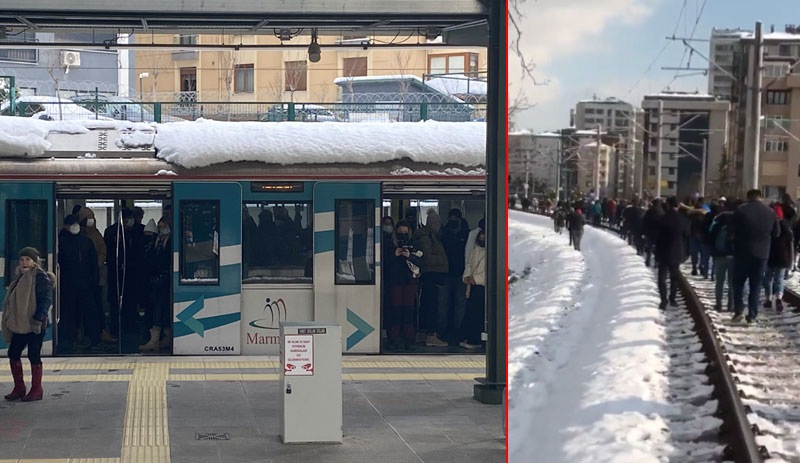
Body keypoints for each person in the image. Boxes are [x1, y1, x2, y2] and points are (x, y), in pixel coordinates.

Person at [2, 247, 55, 402]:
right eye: (21, 259)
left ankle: (36, 389)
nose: (24, 262)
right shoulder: (19, 278)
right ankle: (19, 388)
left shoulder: (40, 278)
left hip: (35, 324)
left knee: (33, 355)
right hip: (20, 324)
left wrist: (39, 318)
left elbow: (45, 300)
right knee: (13, 353)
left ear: (34, 262)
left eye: (27, 259)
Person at [730, 189, 780, 323]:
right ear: (761, 198)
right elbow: (776, 234)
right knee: (756, 285)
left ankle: (739, 310)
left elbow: (731, 231)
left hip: (742, 253)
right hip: (762, 255)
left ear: (748, 198)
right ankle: (752, 315)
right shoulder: (771, 212)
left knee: (738, 283)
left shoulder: (740, 211)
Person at [57, 214, 100, 353]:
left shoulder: (86, 241)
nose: (74, 226)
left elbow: (94, 263)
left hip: (85, 284)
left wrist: (94, 281)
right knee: (69, 314)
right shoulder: (61, 242)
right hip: (68, 285)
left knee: (89, 313)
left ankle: (92, 339)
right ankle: (68, 340)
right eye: (71, 224)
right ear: (65, 226)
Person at [384, 220, 423, 351]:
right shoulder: (390, 245)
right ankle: (393, 338)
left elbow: (422, 261)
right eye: (400, 232)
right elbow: (383, 263)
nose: (403, 235)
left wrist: (410, 256)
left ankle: (409, 339)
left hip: (410, 282)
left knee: (409, 311)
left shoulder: (415, 244)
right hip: (394, 282)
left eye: (405, 232)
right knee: (395, 311)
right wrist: (394, 255)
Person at [140, 217, 173, 351]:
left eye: (163, 226)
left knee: (163, 308)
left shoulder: (172, 241)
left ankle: (163, 337)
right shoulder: (157, 241)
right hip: (156, 281)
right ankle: (158, 338)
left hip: (167, 281)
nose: (161, 229)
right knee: (158, 307)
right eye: (159, 227)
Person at [654, 197, 690, 310]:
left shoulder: (662, 218)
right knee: (675, 276)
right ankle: (672, 298)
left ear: (668, 205)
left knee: (662, 277)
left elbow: (657, 236)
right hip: (677, 251)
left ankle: (663, 300)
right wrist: (686, 251)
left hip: (663, 251)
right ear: (678, 205)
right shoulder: (683, 219)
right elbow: (687, 236)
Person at [764, 204, 793, 313]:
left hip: (769, 257)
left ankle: (768, 299)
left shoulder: (768, 227)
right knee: (779, 280)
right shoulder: (787, 230)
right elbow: (790, 247)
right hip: (782, 258)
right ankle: (779, 299)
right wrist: (790, 261)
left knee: (768, 279)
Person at [460, 229, 486, 349]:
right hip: (473, 286)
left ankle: (475, 340)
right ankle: (470, 337)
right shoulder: (474, 251)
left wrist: (475, 279)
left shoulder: (492, 253)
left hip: (482, 287)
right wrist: (466, 277)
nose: (482, 239)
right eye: (481, 237)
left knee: (478, 314)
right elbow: (469, 265)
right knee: (470, 313)